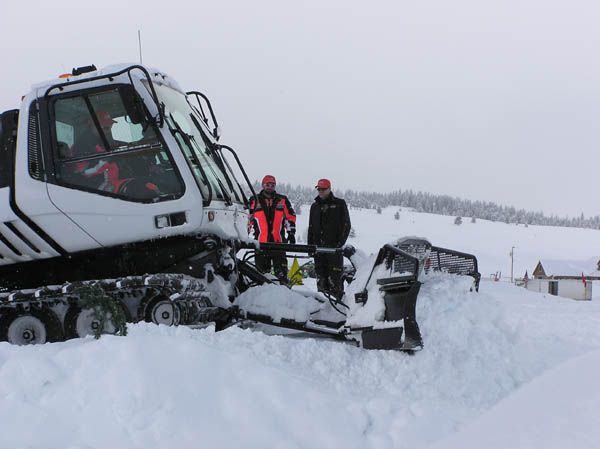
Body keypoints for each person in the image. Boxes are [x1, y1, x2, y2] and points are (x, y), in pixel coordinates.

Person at [307, 178, 351, 297]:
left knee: (335, 281)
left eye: (323, 189)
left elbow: (346, 225)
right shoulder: (314, 206)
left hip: (334, 251)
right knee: (321, 281)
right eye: (319, 189)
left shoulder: (339, 204)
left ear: (329, 189)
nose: (321, 191)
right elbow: (311, 227)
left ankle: (337, 306)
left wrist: (339, 245)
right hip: (318, 250)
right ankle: (323, 307)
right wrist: (310, 247)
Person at [249, 175, 297, 282]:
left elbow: (290, 218)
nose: (270, 187)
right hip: (261, 244)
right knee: (261, 277)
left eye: (272, 185)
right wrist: (243, 233)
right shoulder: (254, 200)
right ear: (263, 185)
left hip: (278, 243)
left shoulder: (282, 200)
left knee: (281, 276)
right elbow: (248, 219)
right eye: (267, 184)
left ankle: (283, 293)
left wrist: (291, 233)